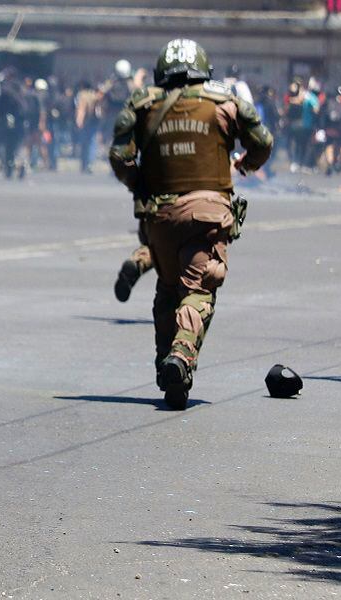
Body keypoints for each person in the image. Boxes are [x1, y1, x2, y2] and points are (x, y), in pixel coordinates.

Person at [109, 38, 273, 409]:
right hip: (208, 214)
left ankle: (167, 368)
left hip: (159, 218)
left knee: (167, 289)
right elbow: (262, 143)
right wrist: (242, 165)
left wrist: (141, 185)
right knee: (198, 290)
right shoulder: (224, 101)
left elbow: (120, 156)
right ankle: (181, 356)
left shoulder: (143, 103)